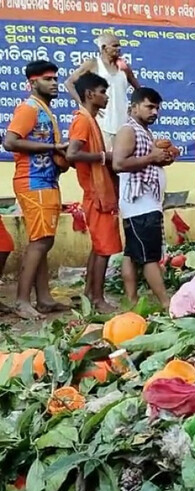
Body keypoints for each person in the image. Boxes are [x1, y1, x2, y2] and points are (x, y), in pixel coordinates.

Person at [2, 60, 69, 320]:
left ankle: (43, 298)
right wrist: (53, 150)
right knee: (41, 241)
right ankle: (21, 300)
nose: (54, 83)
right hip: (33, 180)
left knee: (43, 239)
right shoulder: (29, 108)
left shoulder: (44, 109)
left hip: (45, 180)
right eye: (47, 79)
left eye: (55, 78)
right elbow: (10, 141)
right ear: (32, 83)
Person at [111, 87, 175, 309]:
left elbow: (144, 161)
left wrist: (162, 159)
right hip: (140, 205)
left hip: (146, 203)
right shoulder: (128, 130)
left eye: (157, 108)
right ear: (134, 107)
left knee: (132, 254)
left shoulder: (144, 131)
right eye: (149, 106)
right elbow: (118, 164)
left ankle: (131, 300)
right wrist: (151, 157)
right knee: (149, 257)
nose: (154, 112)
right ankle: (166, 303)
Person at [66, 72, 121, 313]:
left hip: (99, 191)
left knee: (100, 247)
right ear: (90, 94)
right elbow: (72, 154)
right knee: (104, 249)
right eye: (103, 92)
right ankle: (98, 300)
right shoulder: (82, 119)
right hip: (95, 194)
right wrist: (104, 157)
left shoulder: (91, 119)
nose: (107, 97)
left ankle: (90, 294)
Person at [65, 33, 140, 148]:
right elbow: (69, 83)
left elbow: (138, 90)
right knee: (102, 158)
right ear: (104, 48)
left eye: (119, 46)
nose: (118, 49)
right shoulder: (93, 64)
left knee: (121, 161)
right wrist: (84, 105)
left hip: (123, 121)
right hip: (101, 121)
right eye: (115, 46)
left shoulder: (124, 67)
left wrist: (135, 107)